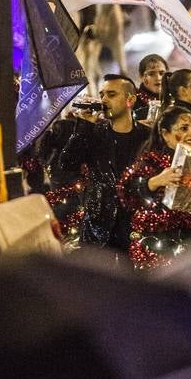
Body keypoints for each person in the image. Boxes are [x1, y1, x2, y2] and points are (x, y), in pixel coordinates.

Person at [117, 105, 191, 269]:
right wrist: (154, 182)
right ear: (165, 134)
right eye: (184, 128)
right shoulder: (150, 162)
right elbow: (127, 193)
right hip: (161, 246)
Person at [57, 75, 146, 253]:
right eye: (102, 94)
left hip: (136, 224)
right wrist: (83, 128)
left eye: (111, 94)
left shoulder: (147, 136)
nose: (104, 99)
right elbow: (66, 164)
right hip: (98, 225)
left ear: (130, 100)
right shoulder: (93, 132)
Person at [135, 54, 169, 120]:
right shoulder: (133, 102)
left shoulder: (175, 100)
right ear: (141, 77)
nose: (158, 78)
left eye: (162, 73)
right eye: (151, 74)